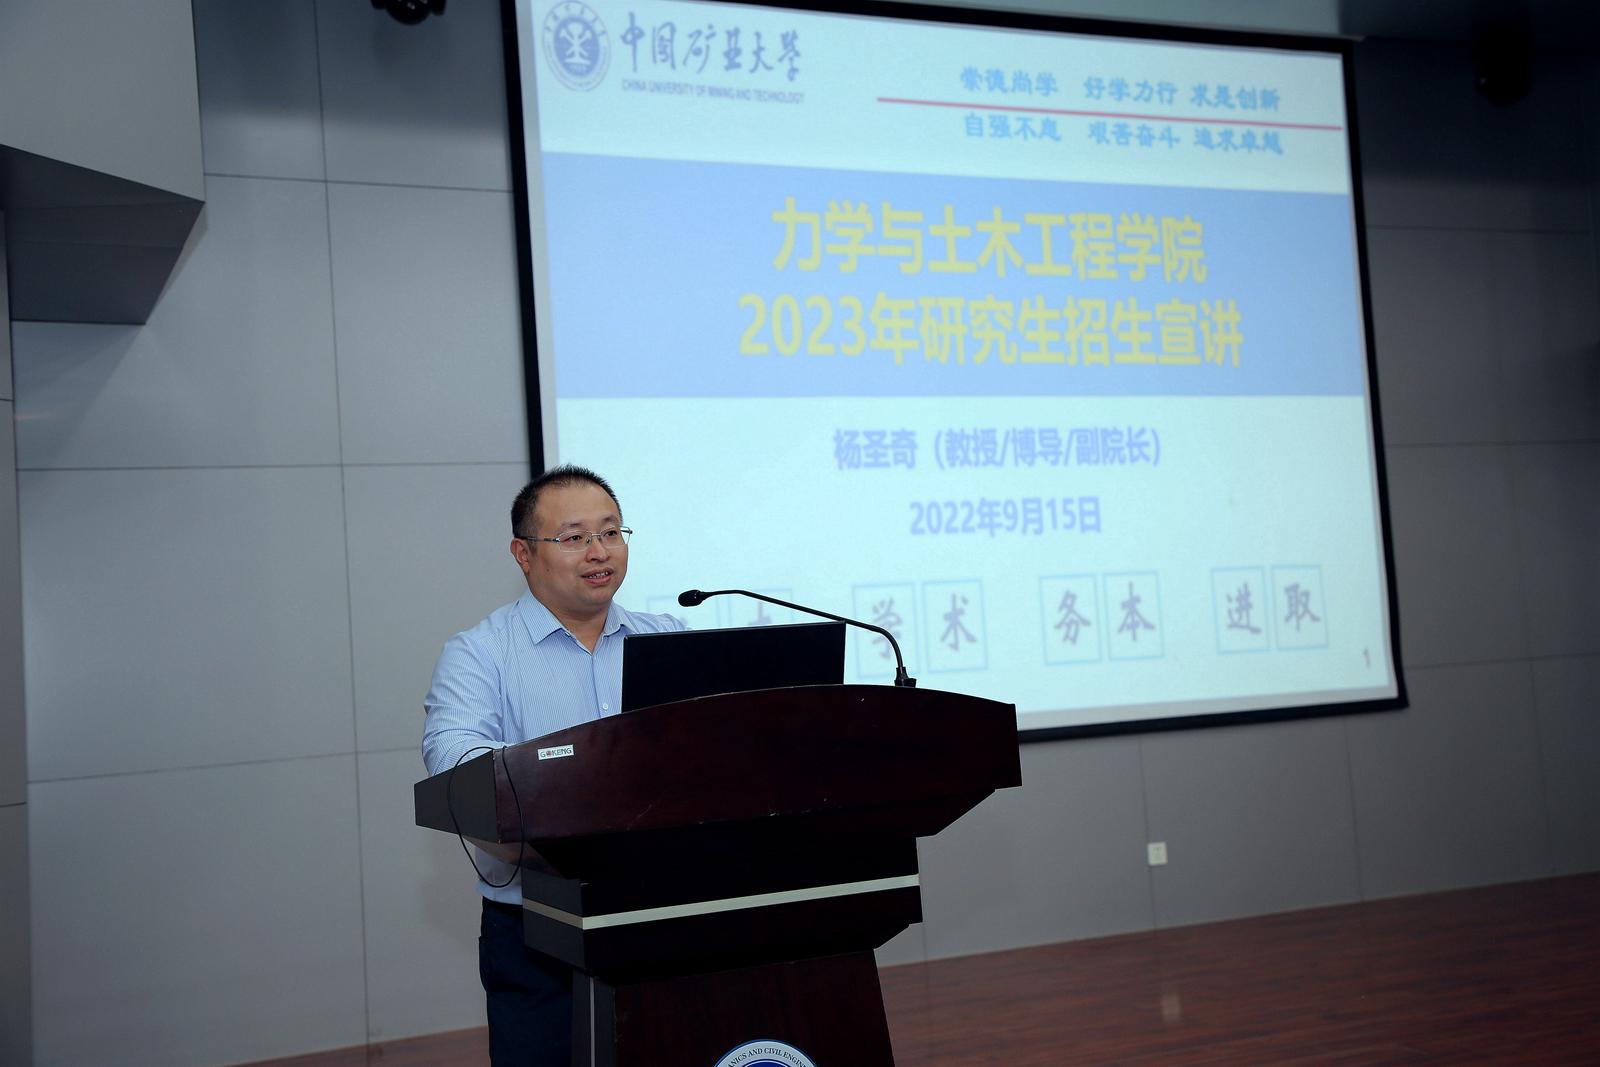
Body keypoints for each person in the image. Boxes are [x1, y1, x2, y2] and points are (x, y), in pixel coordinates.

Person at [421, 464, 684, 1066]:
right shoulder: (480, 654)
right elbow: (455, 764)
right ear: (523, 553)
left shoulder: (667, 638)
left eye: (611, 533)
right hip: (539, 927)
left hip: (662, 912)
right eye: (574, 537)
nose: (599, 552)